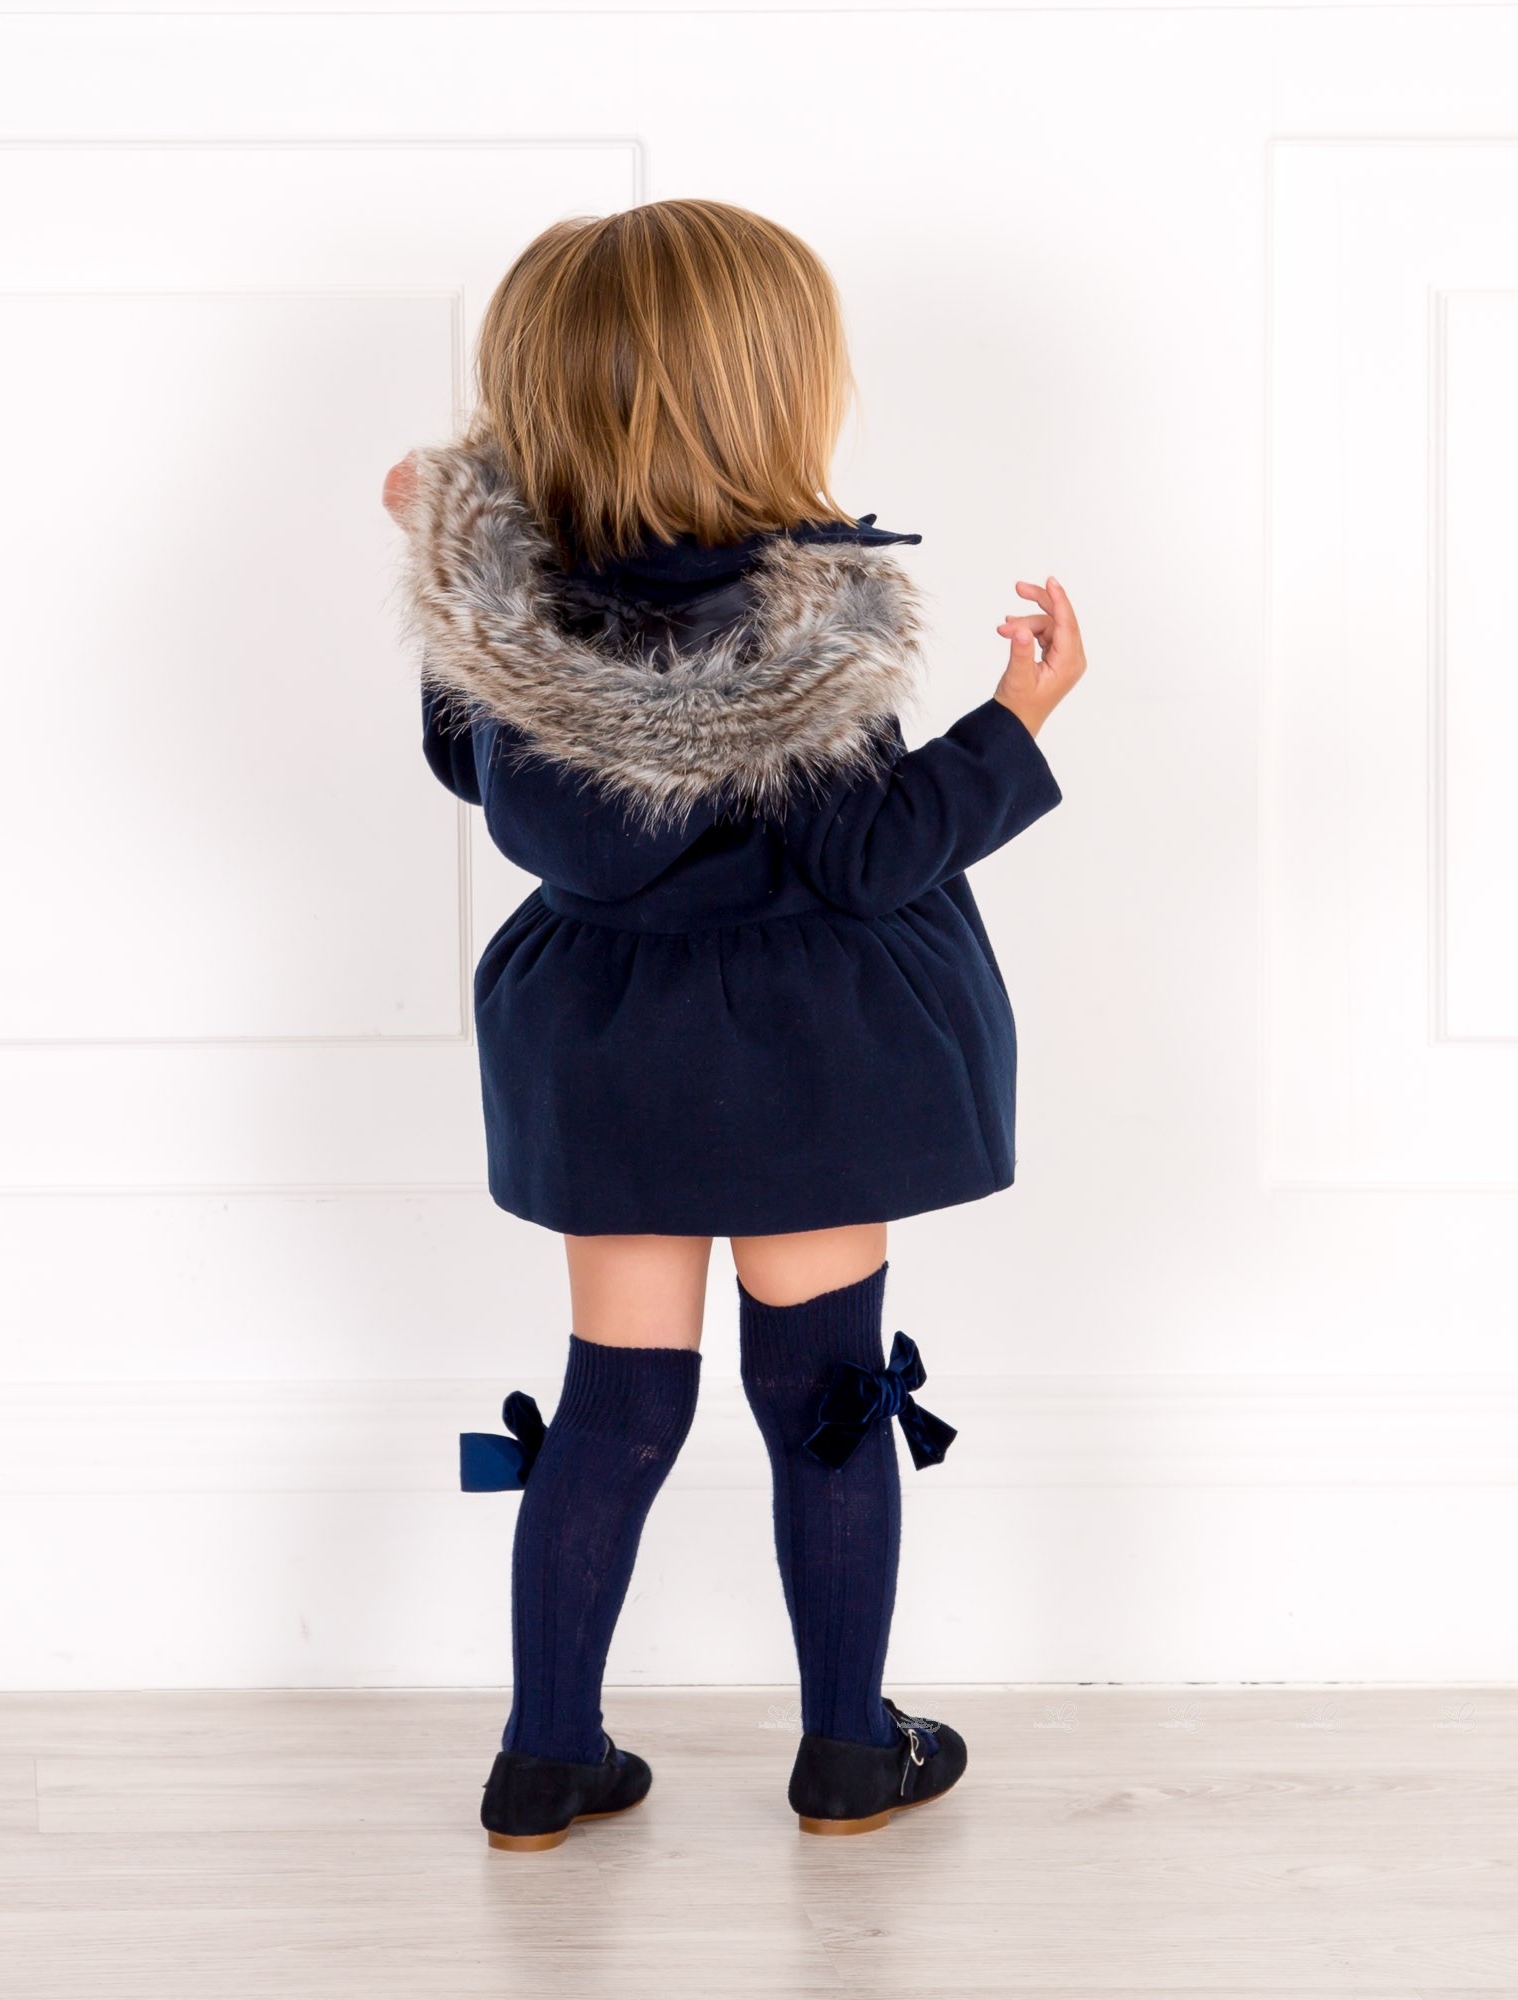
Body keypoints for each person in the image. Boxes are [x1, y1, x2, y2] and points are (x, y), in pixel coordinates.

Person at [384, 198, 1086, 1852]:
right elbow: (865, 856)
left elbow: (462, 766)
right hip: (809, 1061)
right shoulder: (808, 615)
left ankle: (546, 1759)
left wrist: (451, 569)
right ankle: (848, 1750)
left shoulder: (519, 615)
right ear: (769, 398)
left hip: (607, 1055)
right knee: (825, 1399)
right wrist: (1017, 720)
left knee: (620, 1405)